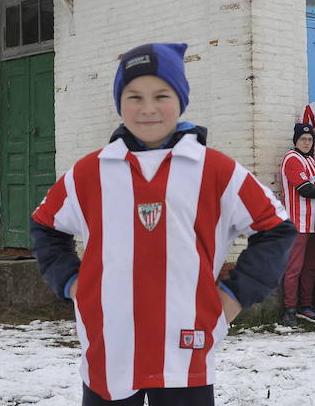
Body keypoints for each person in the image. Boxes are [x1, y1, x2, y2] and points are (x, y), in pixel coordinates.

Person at [29, 43, 297, 406]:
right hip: (110, 348)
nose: (148, 108)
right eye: (134, 96)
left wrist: (234, 297)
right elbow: (46, 226)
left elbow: (276, 228)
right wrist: (72, 282)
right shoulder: (89, 172)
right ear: (119, 102)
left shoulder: (215, 170)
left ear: (181, 99)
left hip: (186, 348)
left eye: (161, 94)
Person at [279, 123, 315, 326]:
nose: (307, 143)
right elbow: (305, 189)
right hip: (297, 223)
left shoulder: (312, 162)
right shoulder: (292, 159)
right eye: (303, 139)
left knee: (311, 268)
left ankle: (305, 307)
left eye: (310, 140)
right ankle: (289, 309)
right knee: (294, 269)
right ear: (296, 140)